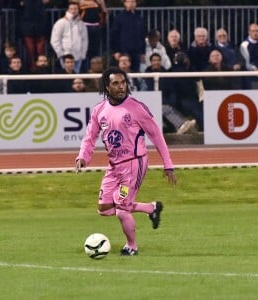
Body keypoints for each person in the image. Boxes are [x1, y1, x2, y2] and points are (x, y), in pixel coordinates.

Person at [75, 66, 176, 256]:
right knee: (104, 208)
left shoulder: (136, 108)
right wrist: (83, 157)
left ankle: (131, 246)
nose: (121, 87)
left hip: (133, 164)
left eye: (123, 83)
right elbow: (89, 137)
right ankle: (151, 208)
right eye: (116, 83)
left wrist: (168, 163)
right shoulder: (99, 110)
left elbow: (156, 135)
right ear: (107, 87)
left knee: (121, 208)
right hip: (114, 166)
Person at [145, 52, 198, 134]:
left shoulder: (166, 74)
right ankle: (181, 125)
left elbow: (171, 90)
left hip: (164, 102)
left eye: (158, 60)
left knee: (168, 107)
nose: (156, 62)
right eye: (154, 60)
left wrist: (170, 101)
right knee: (165, 108)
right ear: (151, 62)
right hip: (150, 103)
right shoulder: (145, 75)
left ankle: (184, 125)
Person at [50, 1, 88, 74]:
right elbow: (55, 40)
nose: (73, 11)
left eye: (75, 9)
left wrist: (82, 54)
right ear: (68, 10)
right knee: (65, 75)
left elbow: (85, 40)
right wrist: (60, 53)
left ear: (78, 10)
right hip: (65, 56)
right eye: (71, 9)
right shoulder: (60, 23)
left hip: (78, 56)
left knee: (76, 76)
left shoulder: (81, 24)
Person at [110, 0, 146, 72]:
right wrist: (116, 51)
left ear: (135, 3)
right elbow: (114, 35)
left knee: (135, 72)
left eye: (133, 2)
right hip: (123, 50)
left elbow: (142, 35)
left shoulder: (139, 17)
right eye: (129, 1)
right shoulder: (119, 18)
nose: (131, 4)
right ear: (125, 3)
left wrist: (143, 52)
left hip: (136, 51)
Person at [17, 0, 50, 72]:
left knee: (41, 51)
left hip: (41, 26)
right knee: (30, 51)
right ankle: (32, 70)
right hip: (27, 26)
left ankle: (43, 69)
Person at [78, 0, 108, 72]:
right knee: (84, 51)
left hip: (96, 27)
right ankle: (84, 71)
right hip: (84, 27)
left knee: (95, 51)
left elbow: (104, 13)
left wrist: (101, 4)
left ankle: (95, 70)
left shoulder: (99, 2)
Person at [239, 23, 258, 89]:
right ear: (249, 32)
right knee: (257, 95)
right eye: (253, 31)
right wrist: (256, 70)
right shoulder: (244, 45)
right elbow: (247, 63)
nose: (255, 33)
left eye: (257, 31)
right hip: (253, 74)